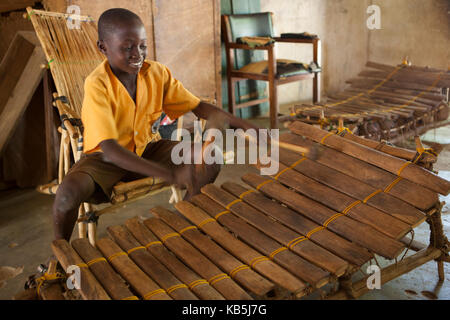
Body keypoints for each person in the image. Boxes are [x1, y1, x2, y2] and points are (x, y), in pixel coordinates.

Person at [52, 8, 261, 241]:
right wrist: (169, 175)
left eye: (142, 45)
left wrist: (243, 124)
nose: (137, 54)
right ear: (103, 48)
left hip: (148, 149)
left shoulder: (156, 73)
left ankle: (183, 226)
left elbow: (198, 107)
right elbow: (110, 149)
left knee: (210, 157)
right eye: (127, 47)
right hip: (105, 158)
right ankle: (60, 259)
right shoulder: (97, 84)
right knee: (66, 195)